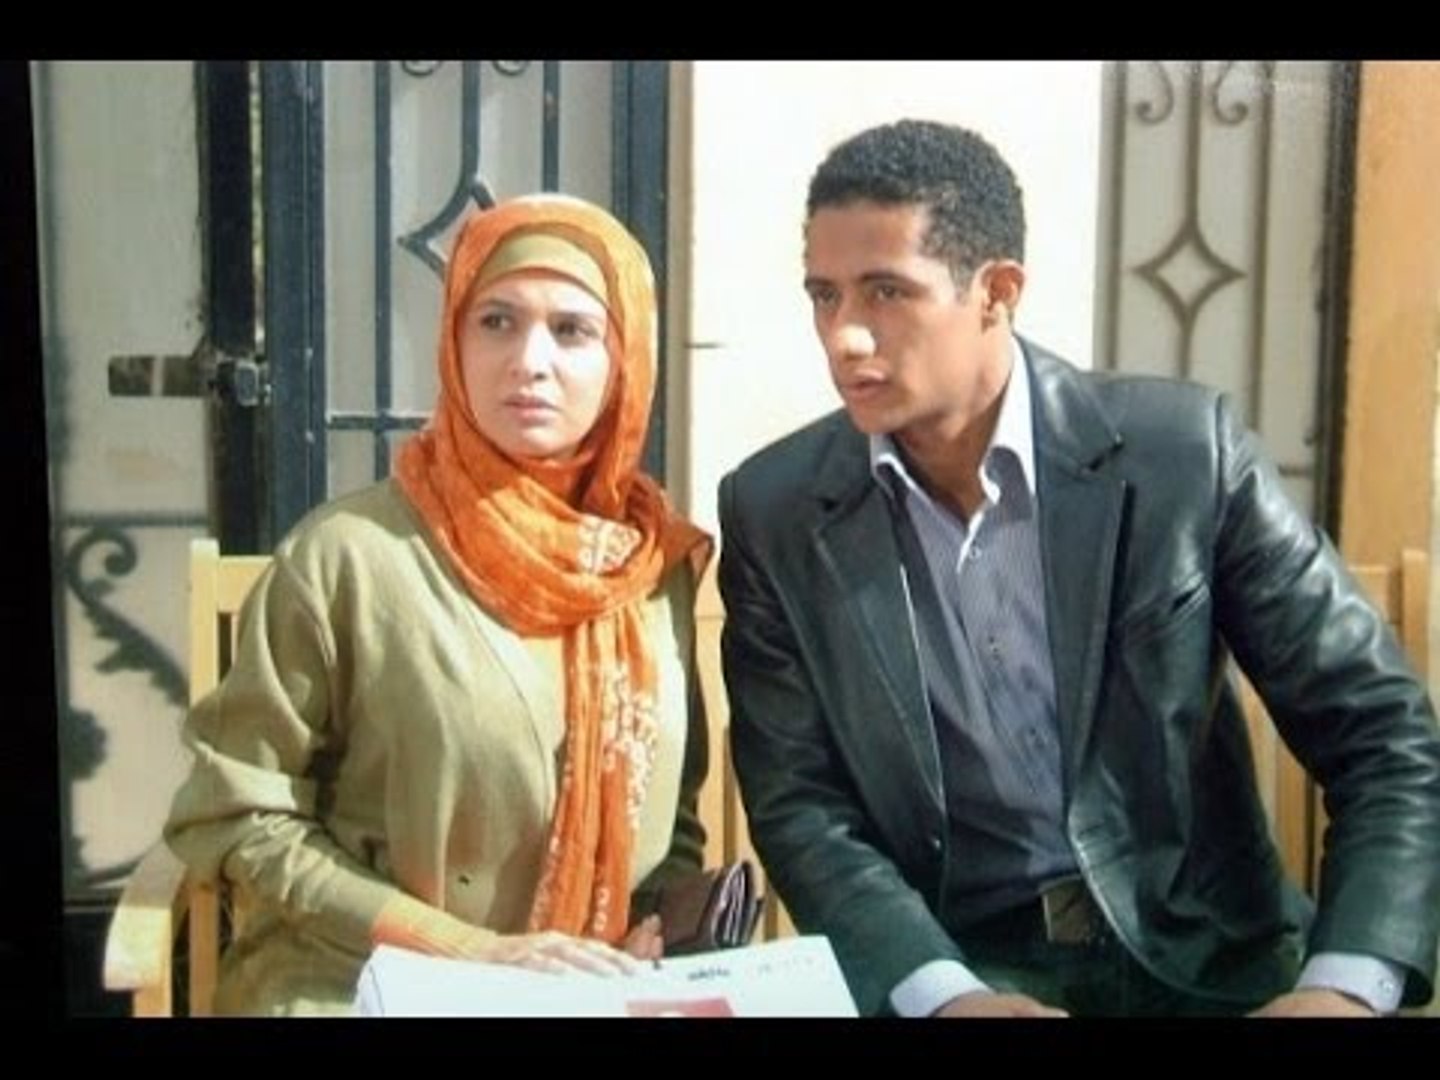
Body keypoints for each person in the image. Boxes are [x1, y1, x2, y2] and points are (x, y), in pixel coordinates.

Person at [717, 118, 1440, 1018]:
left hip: (1216, 966)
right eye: (824, 296)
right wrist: (944, 995)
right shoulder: (777, 511)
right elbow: (803, 808)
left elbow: (1382, 734)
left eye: (886, 292)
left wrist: (1344, 988)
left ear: (997, 292)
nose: (844, 338)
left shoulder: (1182, 456)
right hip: (965, 969)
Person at [166, 194, 712, 1015]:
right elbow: (238, 812)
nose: (529, 361)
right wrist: (467, 950)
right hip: (359, 980)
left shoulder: (651, 569)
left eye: (572, 330)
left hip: (592, 986)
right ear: (453, 342)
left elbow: (672, 820)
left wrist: (653, 926)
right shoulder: (347, 558)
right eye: (496, 321)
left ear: (625, 360)